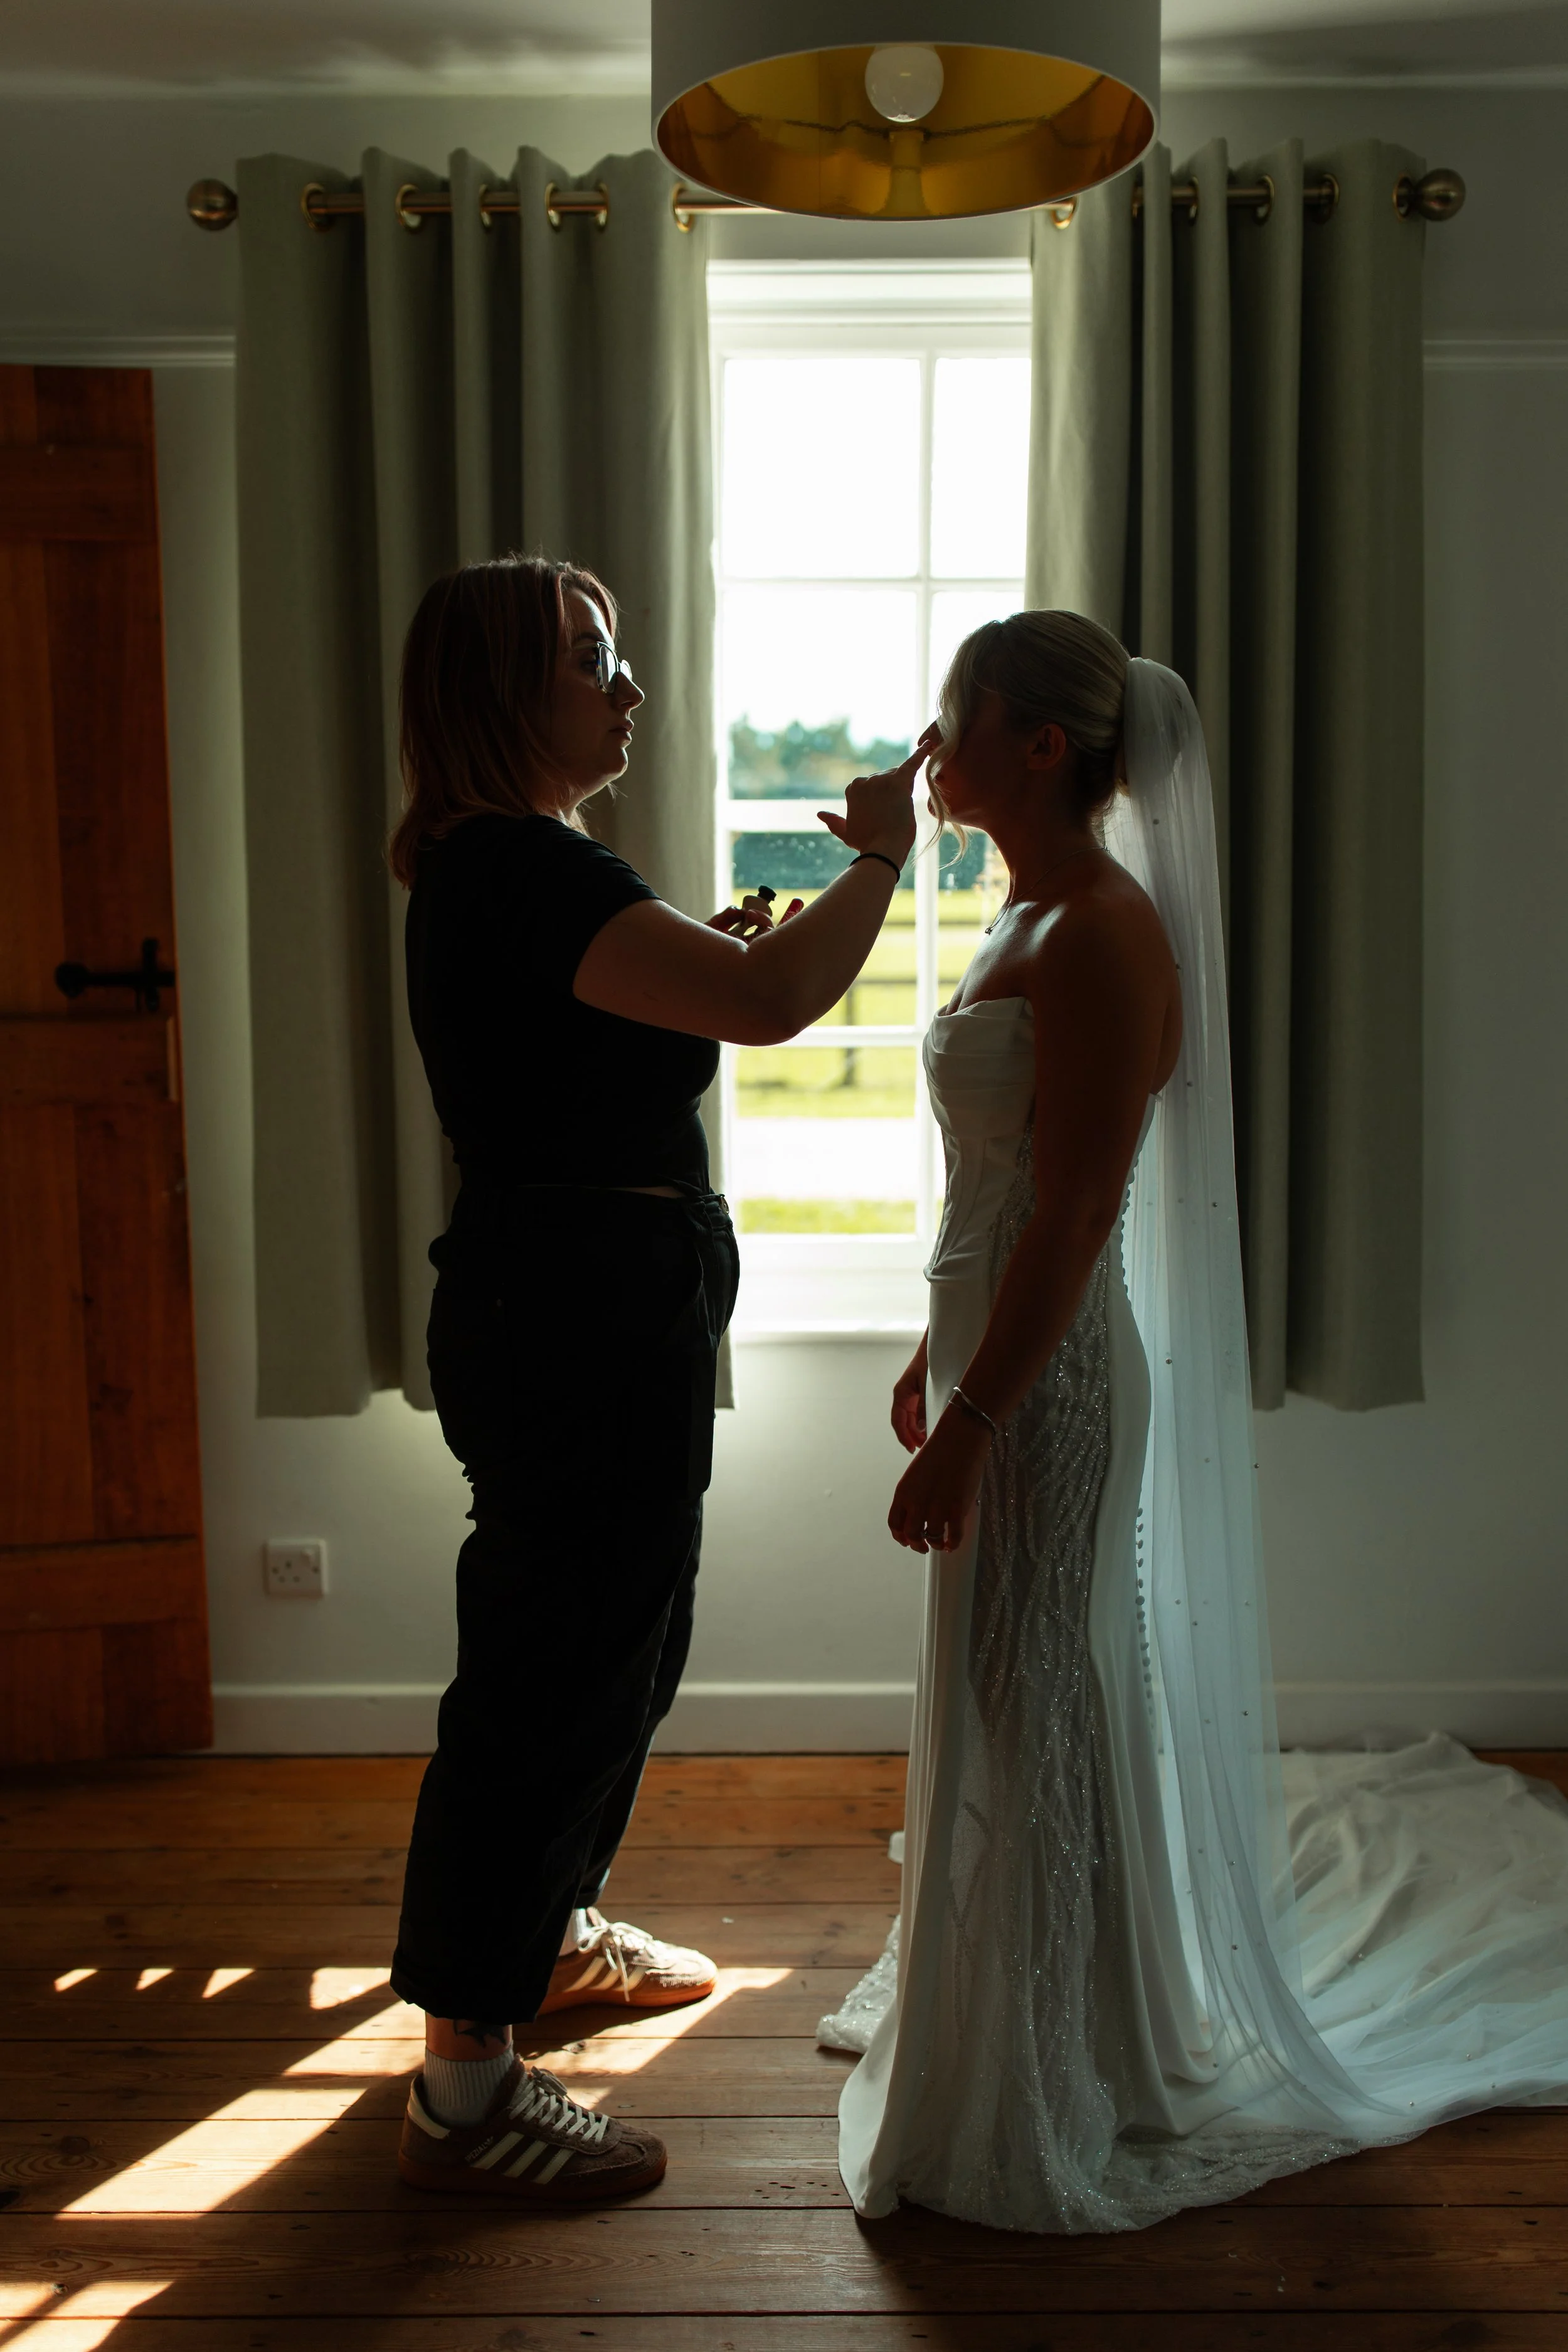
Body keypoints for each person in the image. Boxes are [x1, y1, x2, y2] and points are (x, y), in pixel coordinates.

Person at [827, 609, 1568, 2233]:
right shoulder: (1018, 906)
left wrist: (975, 1421)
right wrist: (921, 1356)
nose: (926, 743)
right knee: (1012, 1698)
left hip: (1057, 1382)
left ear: (1040, 743)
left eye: (954, 715)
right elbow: (992, 1184)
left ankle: (1060, 2059)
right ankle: (1046, 2020)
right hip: (991, 1354)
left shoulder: (1102, 926)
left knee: (1042, 1701)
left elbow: (1077, 1208)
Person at [386, 553, 927, 2204]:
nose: (626, 688)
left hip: (574, 1301)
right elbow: (768, 1002)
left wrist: (706, 948)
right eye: (588, 660)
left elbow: (626, 1024)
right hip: (575, 1316)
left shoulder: (507, 872)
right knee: (554, 1670)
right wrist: (887, 862)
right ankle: (467, 2083)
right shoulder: (530, 869)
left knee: (611, 1644)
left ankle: (538, 1939)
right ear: (501, 696)